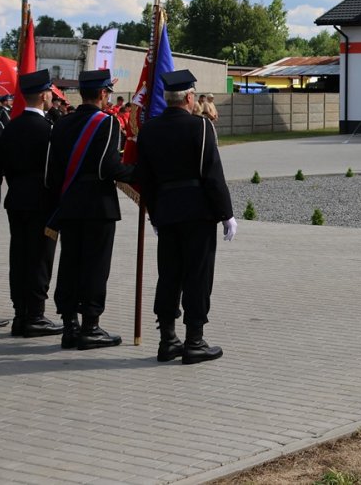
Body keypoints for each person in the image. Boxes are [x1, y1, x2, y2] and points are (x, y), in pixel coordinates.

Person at [134, 70, 236, 364]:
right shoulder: (201, 127)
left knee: (169, 275)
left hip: (166, 211)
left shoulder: (149, 129)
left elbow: (145, 178)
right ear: (190, 98)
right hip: (197, 212)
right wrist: (226, 213)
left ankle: (167, 340)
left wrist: (154, 213)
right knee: (197, 276)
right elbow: (212, 174)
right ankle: (194, 341)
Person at [45, 69, 134, 349]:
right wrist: (137, 173)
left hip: (69, 203)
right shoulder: (107, 123)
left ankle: (69, 325)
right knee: (95, 266)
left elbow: (52, 173)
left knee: (70, 263)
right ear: (103, 93)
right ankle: (90, 326)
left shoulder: (62, 123)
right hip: (98, 205)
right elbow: (108, 167)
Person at [0, 70, 64, 337]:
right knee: (40, 258)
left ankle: (20, 314)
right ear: (43, 95)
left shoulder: (10, 126)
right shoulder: (48, 129)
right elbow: (54, 170)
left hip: (16, 198)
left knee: (19, 257)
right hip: (42, 201)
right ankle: (35, 315)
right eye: (49, 91)